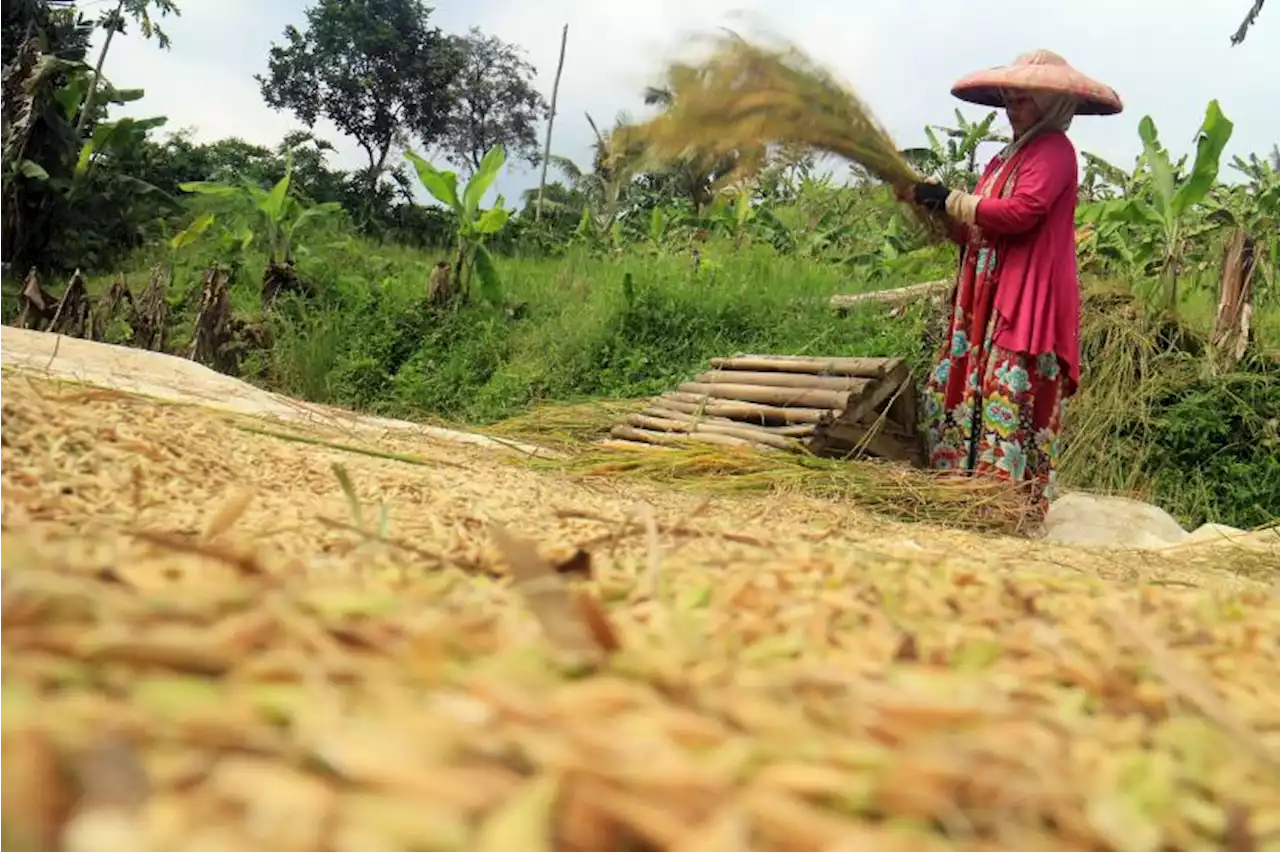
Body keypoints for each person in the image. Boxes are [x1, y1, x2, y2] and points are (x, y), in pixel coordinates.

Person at [896, 50, 1123, 528]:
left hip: (1028, 294)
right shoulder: (1003, 157)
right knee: (964, 385)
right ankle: (963, 492)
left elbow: (1020, 214)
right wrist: (931, 205)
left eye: (1023, 100)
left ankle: (1006, 505)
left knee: (1010, 385)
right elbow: (977, 227)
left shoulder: (1055, 152)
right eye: (1008, 99)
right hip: (983, 293)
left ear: (1051, 105)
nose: (1011, 109)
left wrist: (953, 199)